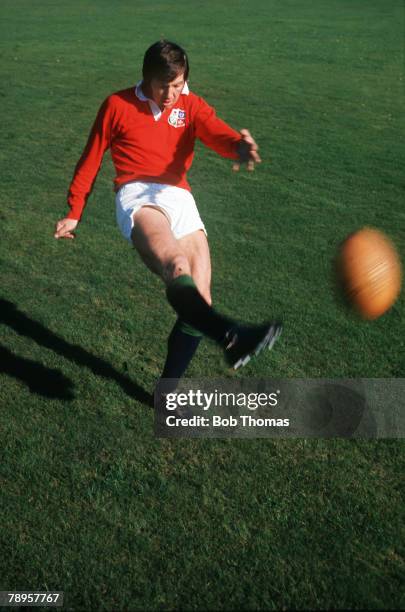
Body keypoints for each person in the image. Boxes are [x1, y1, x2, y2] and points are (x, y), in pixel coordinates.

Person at [54, 40, 282, 387]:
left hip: (179, 196)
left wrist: (239, 145)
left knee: (201, 298)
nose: (172, 93)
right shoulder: (117, 104)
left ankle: (167, 395)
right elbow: (92, 155)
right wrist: (75, 209)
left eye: (178, 84)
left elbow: (216, 132)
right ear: (147, 77)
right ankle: (234, 337)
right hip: (137, 194)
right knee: (177, 266)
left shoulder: (190, 105)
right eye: (164, 85)